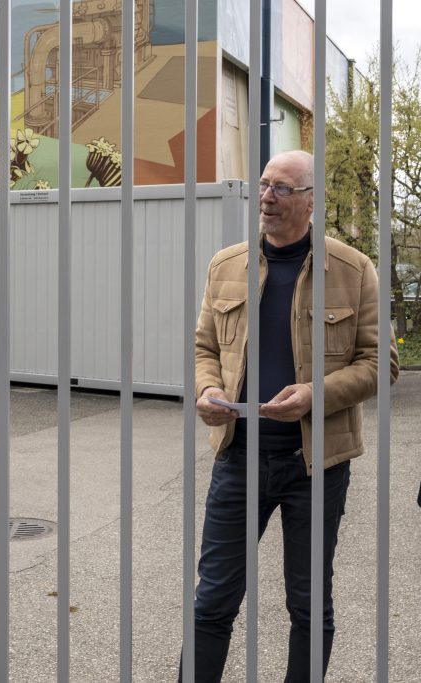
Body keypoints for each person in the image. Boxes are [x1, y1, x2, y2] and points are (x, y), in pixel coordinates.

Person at [182, 150, 397, 682]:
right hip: (239, 460)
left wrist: (313, 395)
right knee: (212, 601)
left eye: (281, 188)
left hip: (316, 466)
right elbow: (204, 346)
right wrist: (208, 389)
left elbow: (380, 362)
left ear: (310, 201)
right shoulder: (225, 265)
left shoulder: (353, 270)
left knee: (308, 605)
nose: (267, 197)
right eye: (263, 184)